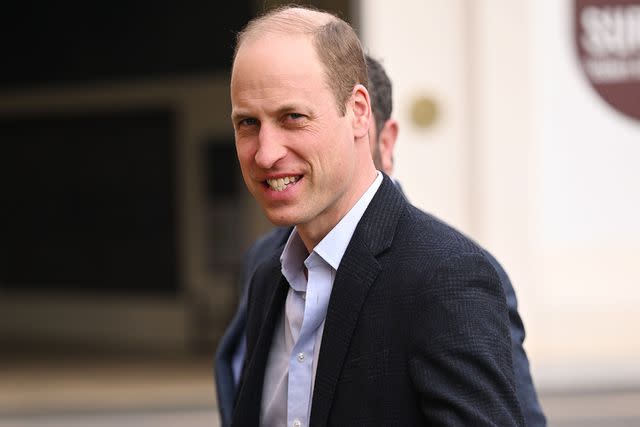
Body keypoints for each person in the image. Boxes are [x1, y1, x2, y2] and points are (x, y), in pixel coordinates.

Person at [224, 5, 526, 426]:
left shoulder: (445, 276)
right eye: (248, 123)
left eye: (292, 117)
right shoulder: (267, 279)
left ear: (360, 112)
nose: (266, 151)